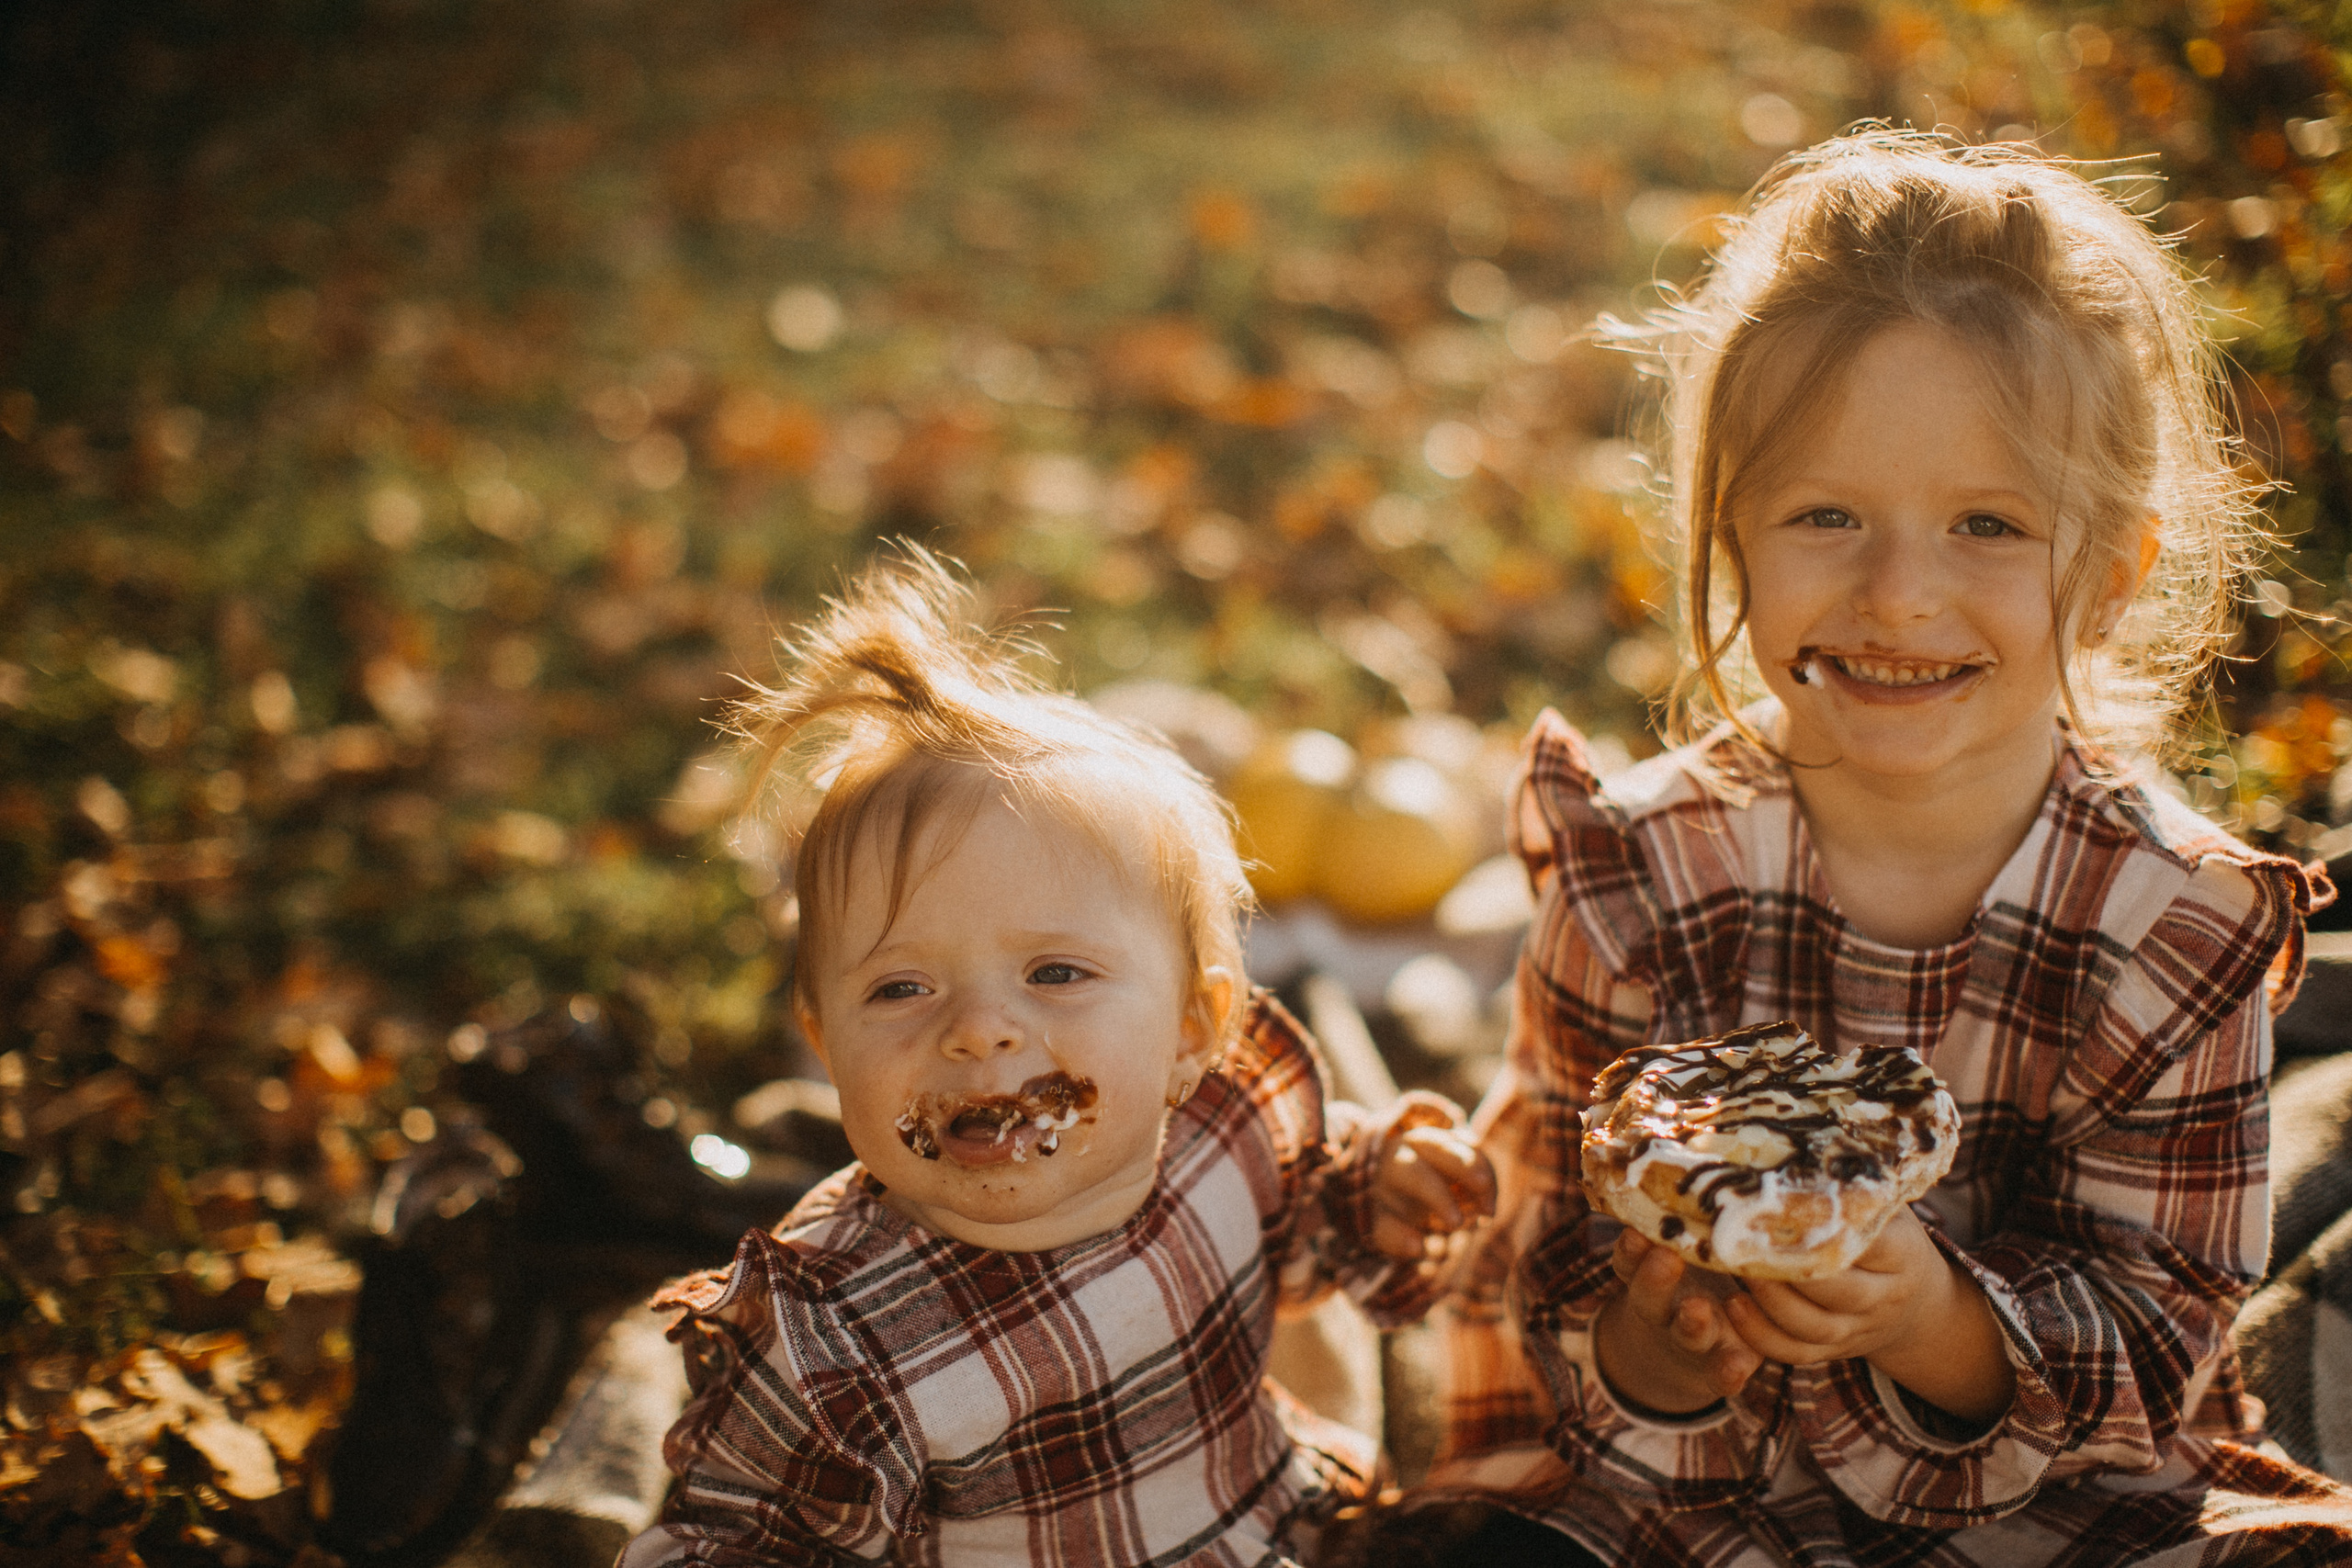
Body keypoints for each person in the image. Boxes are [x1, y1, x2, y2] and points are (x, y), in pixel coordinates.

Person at [1422, 129, 2352, 1565]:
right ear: (1731, 534)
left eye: (1988, 523)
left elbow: (2157, 1330)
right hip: (1684, 1499)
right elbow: (1543, 1256)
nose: (1900, 591)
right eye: (1826, 515)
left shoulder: (2171, 922)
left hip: (2055, 1506)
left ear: (2110, 577)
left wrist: (1932, 1317)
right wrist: (1655, 1343)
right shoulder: (1637, 874)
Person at [617, 549, 1494, 1568]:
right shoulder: (833, 1345)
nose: (979, 1029)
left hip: (1274, 1524)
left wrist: (1379, 1188)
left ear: (1192, 1030)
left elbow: (1306, 1205)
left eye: (1056, 973)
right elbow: (737, 1538)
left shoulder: (1222, 1129)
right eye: (901, 988)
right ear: (824, 1046)